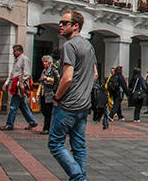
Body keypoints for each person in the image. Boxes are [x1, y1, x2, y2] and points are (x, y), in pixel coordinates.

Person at [49, 10, 98, 181]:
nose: (60, 25)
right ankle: (80, 178)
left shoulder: (69, 46)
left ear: (75, 26)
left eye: (64, 23)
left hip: (68, 105)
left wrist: (56, 97)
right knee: (79, 146)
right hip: (84, 105)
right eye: (60, 22)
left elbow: (67, 78)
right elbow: (95, 75)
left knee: (55, 144)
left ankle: (77, 177)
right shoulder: (88, 46)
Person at [0, 45, 37, 131]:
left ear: (20, 51)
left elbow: (26, 74)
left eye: (15, 51)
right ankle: (32, 121)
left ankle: (9, 124)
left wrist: (19, 83)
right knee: (22, 105)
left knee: (13, 105)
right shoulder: (17, 60)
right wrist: (6, 83)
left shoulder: (24, 59)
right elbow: (12, 73)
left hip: (19, 85)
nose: (13, 53)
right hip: (15, 83)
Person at [38, 55, 60, 134]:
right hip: (44, 93)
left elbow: (56, 81)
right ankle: (51, 126)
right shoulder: (44, 70)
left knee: (48, 111)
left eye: (46, 62)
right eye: (43, 62)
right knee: (43, 109)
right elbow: (40, 79)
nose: (44, 63)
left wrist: (47, 79)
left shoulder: (53, 70)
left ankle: (47, 128)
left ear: (50, 62)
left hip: (50, 93)